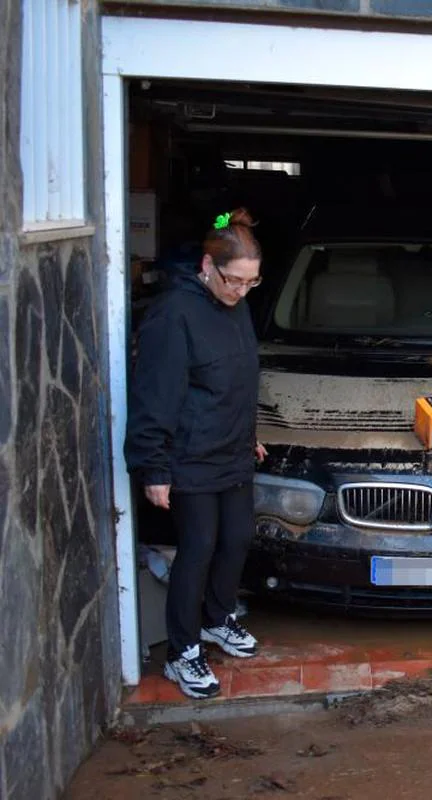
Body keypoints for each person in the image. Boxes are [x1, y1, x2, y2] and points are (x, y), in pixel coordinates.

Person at [126, 208, 267, 698]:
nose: (241, 292)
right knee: (199, 549)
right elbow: (155, 395)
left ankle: (216, 618)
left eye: (251, 282)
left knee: (238, 539)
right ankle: (183, 652)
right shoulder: (173, 315)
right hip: (189, 456)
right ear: (208, 265)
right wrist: (154, 467)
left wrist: (248, 434)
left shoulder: (239, 304)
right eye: (234, 281)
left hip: (232, 449)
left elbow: (240, 376)